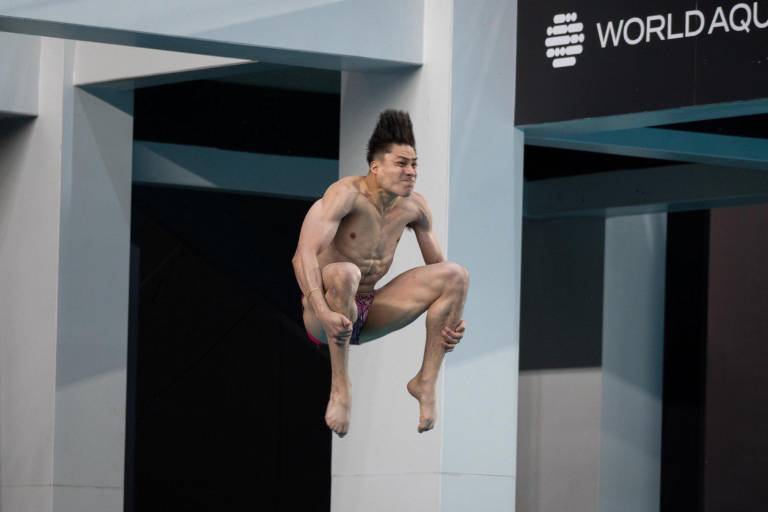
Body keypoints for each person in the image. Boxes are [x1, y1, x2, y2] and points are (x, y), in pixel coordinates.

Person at [291, 109, 469, 438]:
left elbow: (439, 271)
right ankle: (341, 388)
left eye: (414, 164)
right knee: (344, 273)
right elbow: (302, 257)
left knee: (456, 275)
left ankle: (425, 384)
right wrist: (321, 312)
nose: (411, 172)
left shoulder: (414, 207)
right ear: (376, 166)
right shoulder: (344, 196)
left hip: (370, 309)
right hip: (323, 312)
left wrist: (453, 320)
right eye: (401, 164)